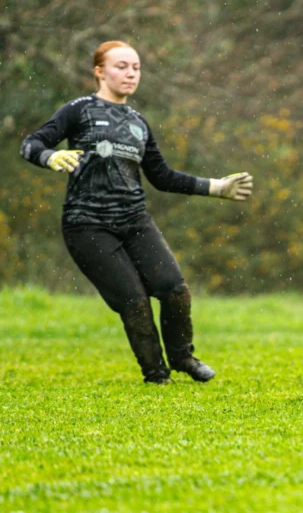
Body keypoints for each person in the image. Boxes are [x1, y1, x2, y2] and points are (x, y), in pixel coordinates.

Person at [19, 41, 254, 383]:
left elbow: (162, 177)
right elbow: (31, 144)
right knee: (134, 301)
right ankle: (157, 375)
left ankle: (183, 357)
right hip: (87, 225)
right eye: (121, 66)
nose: (131, 73)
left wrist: (216, 187)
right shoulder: (79, 110)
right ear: (99, 71)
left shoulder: (138, 123)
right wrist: (50, 156)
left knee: (174, 289)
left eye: (136, 67)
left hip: (134, 220)